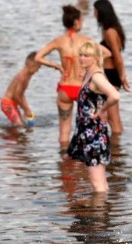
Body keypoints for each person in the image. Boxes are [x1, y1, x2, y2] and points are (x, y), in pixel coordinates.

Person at [35, 5, 96, 146]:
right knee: (87, 128)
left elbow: (38, 57)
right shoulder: (86, 40)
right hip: (82, 87)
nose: (82, 23)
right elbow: (103, 55)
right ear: (75, 22)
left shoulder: (59, 41)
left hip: (65, 87)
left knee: (64, 130)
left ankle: (64, 160)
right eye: (81, 20)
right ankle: (84, 161)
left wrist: (55, 65)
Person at [65, 41, 120, 193]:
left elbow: (114, 95)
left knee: (97, 184)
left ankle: (98, 215)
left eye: (86, 55)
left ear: (95, 57)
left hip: (94, 133)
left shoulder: (96, 76)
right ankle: (105, 213)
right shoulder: (90, 74)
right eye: (81, 55)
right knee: (100, 181)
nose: (82, 58)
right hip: (88, 132)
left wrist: (102, 110)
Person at [94, 0, 130, 134]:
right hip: (109, 74)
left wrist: (122, 77)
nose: (94, 14)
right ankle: (116, 149)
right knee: (111, 117)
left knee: (113, 119)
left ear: (102, 12)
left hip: (111, 75)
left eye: (96, 11)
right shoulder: (109, 30)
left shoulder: (110, 32)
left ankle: (116, 151)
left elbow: (117, 57)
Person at [1, 52, 41, 127]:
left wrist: (27, 108)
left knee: (22, 124)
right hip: (7, 103)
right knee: (19, 124)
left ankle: (13, 135)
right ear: (32, 64)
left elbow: (21, 94)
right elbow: (16, 95)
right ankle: (8, 136)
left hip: (14, 103)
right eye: (37, 67)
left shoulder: (28, 76)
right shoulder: (22, 77)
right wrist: (25, 109)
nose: (37, 70)